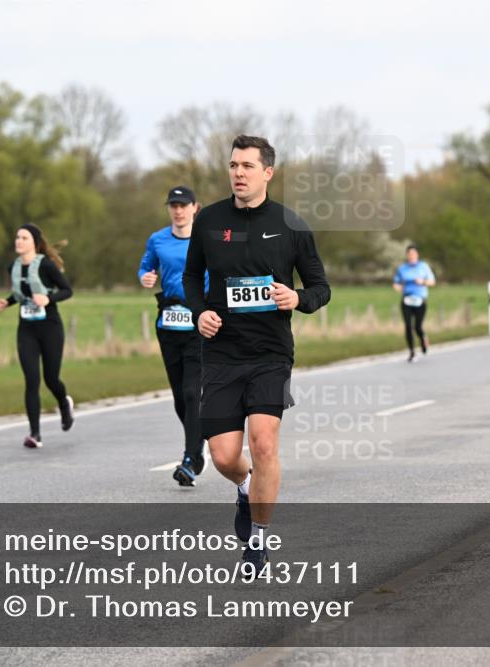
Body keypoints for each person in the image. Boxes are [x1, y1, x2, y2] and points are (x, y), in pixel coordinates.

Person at [182, 135, 330, 576]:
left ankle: (258, 545)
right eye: (233, 165)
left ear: (267, 172)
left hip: (270, 354)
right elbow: (191, 279)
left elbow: (321, 287)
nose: (238, 173)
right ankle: (246, 488)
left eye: (247, 166)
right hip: (222, 354)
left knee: (263, 444)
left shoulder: (291, 224)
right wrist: (200, 312)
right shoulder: (209, 220)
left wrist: (296, 299)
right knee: (225, 456)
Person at [139, 186, 210, 487]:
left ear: (195, 207)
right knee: (180, 398)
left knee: (194, 393)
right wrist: (145, 277)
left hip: (198, 323)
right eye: (173, 206)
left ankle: (190, 459)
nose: (178, 211)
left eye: (183, 205)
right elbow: (145, 267)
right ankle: (199, 442)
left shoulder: (207, 239)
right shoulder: (157, 240)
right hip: (168, 324)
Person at [0, 224, 74, 448]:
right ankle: (35, 434)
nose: (18, 241)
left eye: (24, 237)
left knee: (51, 379)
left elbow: (67, 290)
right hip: (26, 329)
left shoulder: (47, 266)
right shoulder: (13, 266)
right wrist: (8, 302)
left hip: (50, 327)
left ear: (35, 242)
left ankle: (63, 403)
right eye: (17, 237)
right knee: (31, 380)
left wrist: (49, 299)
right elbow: (22, 292)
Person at [393, 244, 436, 361]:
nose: (411, 255)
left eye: (413, 253)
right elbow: (396, 283)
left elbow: (432, 282)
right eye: (409, 253)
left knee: (417, 326)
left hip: (420, 300)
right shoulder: (402, 268)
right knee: (407, 326)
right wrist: (398, 287)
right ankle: (412, 351)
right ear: (407, 255)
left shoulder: (423, 267)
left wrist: (422, 282)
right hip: (406, 299)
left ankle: (423, 339)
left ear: (417, 254)